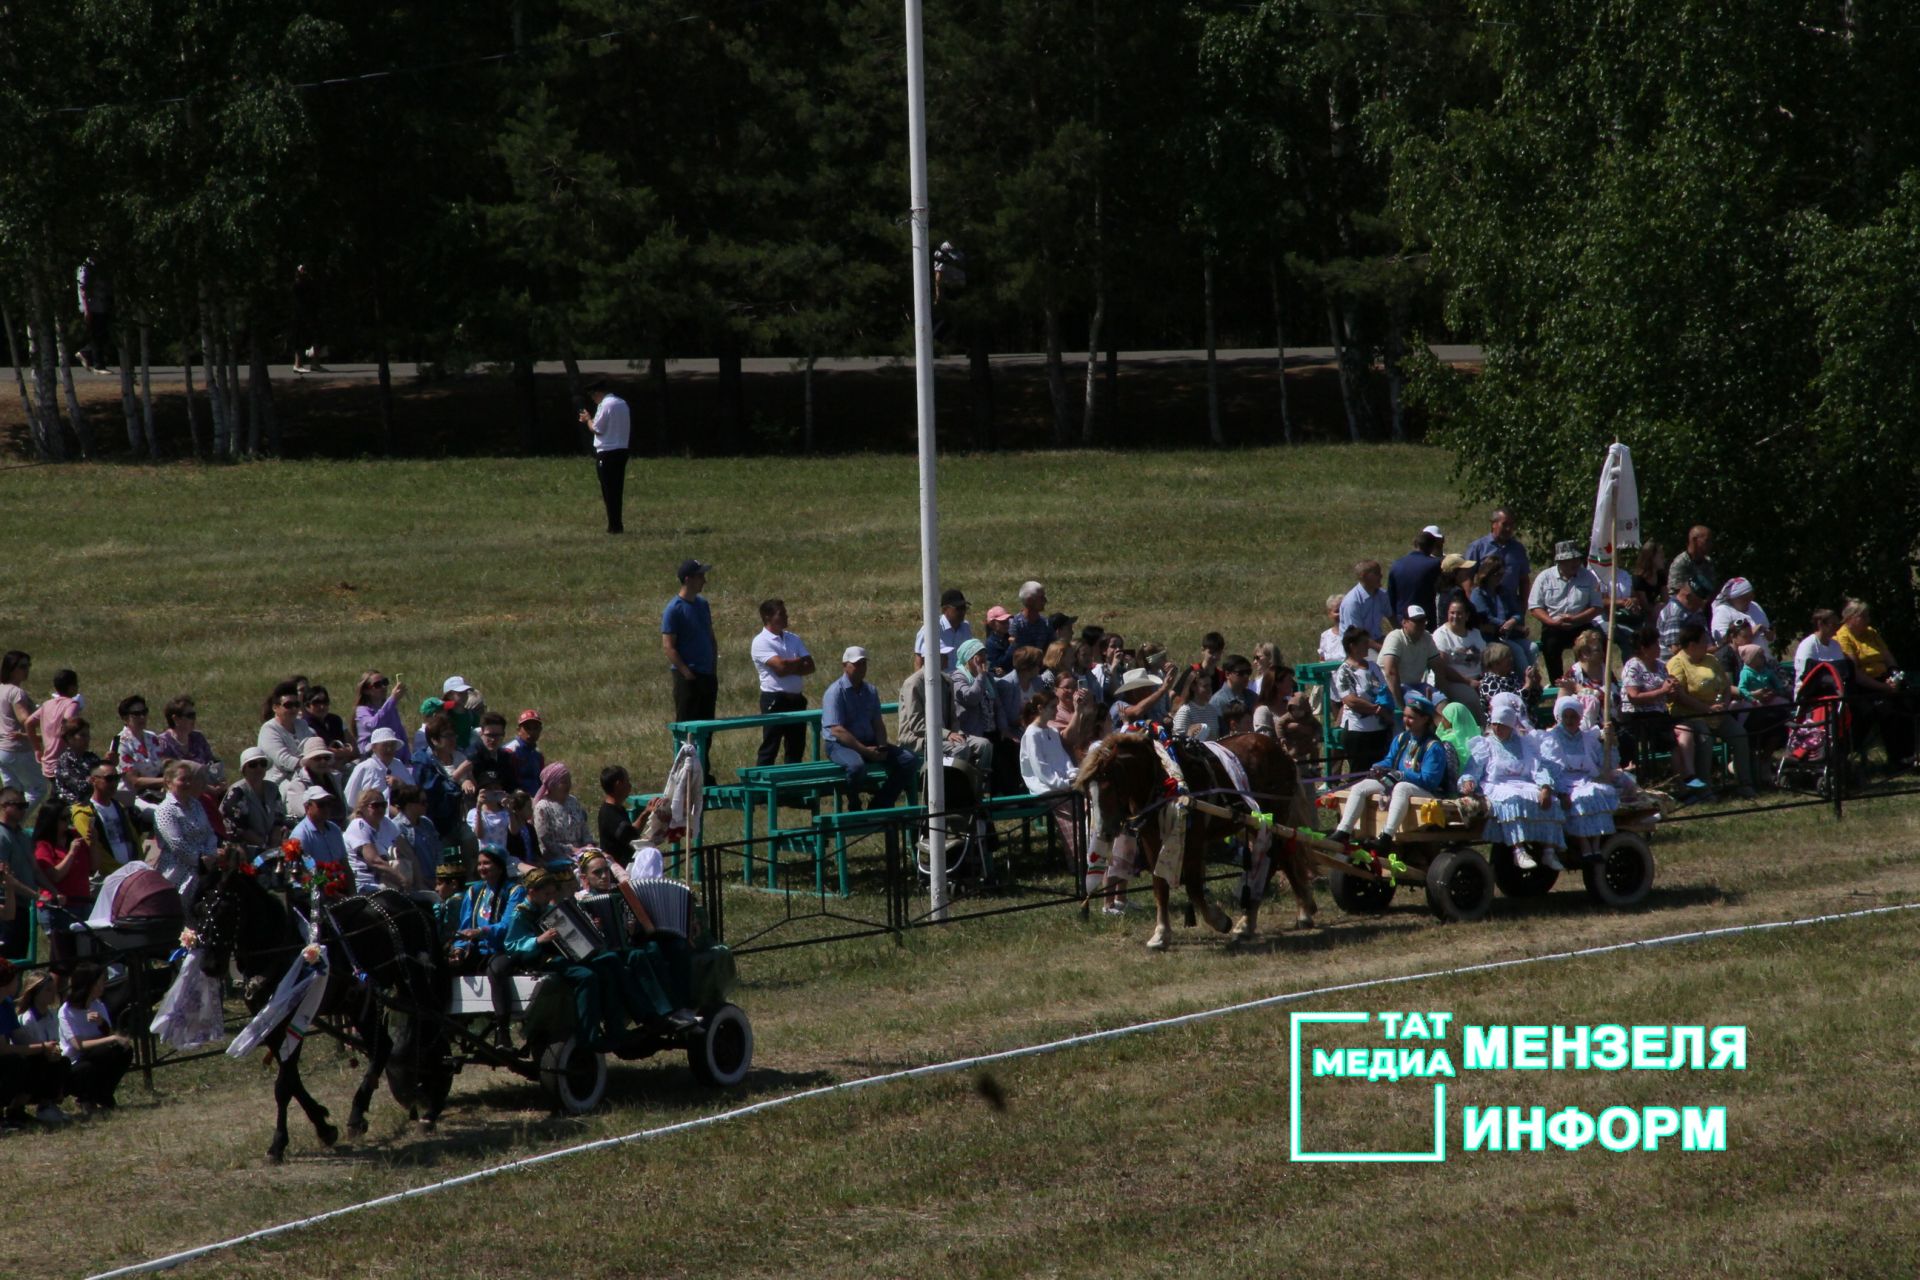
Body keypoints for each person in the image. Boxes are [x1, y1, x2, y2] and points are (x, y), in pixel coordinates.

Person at [1328, 693, 1452, 852]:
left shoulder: (1433, 747)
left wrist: (1402, 775)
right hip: (1397, 783)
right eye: (1405, 716)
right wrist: (1378, 766)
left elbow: (1430, 781)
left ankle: (1386, 836)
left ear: (1425, 720)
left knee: (1402, 787)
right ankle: (1344, 831)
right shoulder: (1401, 739)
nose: (1406, 721)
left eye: (1411, 718)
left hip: (1426, 792)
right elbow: (1390, 760)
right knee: (1361, 786)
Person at [1459, 693, 1565, 871]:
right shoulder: (1486, 744)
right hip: (1498, 784)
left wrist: (1546, 786)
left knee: (1551, 802)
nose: (1497, 728)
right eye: (1495, 724)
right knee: (1513, 800)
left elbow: (1537, 767)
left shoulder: (1524, 744)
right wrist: (1468, 780)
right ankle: (1518, 850)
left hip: (1523, 783)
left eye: (1502, 725)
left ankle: (1548, 851)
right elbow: (1473, 768)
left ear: (1510, 725)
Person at [822, 647, 918, 810]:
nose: (861, 668)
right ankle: (854, 803)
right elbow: (837, 730)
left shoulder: (871, 691)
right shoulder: (835, 692)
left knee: (909, 760)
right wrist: (865, 751)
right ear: (845, 665)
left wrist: (881, 746)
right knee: (856, 767)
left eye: (863, 663)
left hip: (869, 742)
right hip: (839, 745)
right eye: (856, 664)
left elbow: (877, 722)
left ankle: (881, 802)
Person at [1667, 623, 1756, 797]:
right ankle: (1704, 788)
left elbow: (1725, 686)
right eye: (1703, 643)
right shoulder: (1676, 664)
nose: (1707, 646)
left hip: (1718, 713)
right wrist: (1706, 709)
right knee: (1705, 741)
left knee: (1739, 735)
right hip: (1692, 716)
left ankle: (1745, 783)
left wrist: (1723, 703)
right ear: (1691, 645)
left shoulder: (1711, 659)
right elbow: (1680, 695)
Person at [1538, 695, 1626, 865]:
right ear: (1560, 717)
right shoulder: (1552, 739)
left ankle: (1596, 845)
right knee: (1579, 800)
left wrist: (1611, 742)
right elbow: (1551, 768)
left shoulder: (1588, 738)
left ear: (1580, 718)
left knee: (1597, 794)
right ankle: (1585, 846)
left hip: (1586, 779)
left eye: (1574, 717)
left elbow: (1607, 763)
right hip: (1564, 781)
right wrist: (1562, 792)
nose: (1570, 720)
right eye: (1566, 716)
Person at [452, 846, 525, 1045]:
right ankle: (449, 1026)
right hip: (478, 949)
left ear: (500, 867)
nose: (482, 868)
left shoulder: (514, 891)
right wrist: (458, 949)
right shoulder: (474, 891)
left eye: (487, 863)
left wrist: (481, 931)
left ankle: (503, 1032)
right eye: (480, 863)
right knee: (446, 967)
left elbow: (507, 925)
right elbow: (464, 925)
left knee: (496, 970)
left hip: (505, 948)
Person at [1836, 599, 1914, 771]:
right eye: (1864, 616)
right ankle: (1895, 758)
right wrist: (1884, 688)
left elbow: (1887, 656)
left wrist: (1894, 676)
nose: (1868, 620)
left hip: (1885, 679)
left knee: (1908, 704)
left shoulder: (1871, 632)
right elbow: (1855, 673)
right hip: (1863, 685)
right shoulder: (1843, 637)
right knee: (1887, 711)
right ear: (1851, 617)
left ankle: (1909, 755)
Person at [0, 959, 70, 1127]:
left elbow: (19, 1036)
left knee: (39, 1061)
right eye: (15, 979)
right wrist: (41, 1047)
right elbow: (2, 1049)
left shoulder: (6, 1004)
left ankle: (18, 1111)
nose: (18, 982)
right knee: (15, 1064)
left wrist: (47, 1050)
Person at [57, 962, 132, 1111]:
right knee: (99, 1057)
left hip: (97, 1055)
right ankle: (86, 1096)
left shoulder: (98, 1005)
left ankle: (104, 1094)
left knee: (123, 1051)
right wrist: (112, 1038)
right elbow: (79, 1045)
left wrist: (102, 1023)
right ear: (89, 985)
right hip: (76, 1063)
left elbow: (109, 1033)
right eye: (100, 982)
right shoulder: (66, 1011)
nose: (103, 986)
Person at [750, 598, 815, 766]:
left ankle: (791, 789)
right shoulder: (760, 642)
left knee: (796, 747)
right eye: (782, 613)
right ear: (768, 617)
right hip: (774, 700)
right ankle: (762, 788)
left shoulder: (793, 638)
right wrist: (796, 662)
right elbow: (780, 668)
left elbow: (810, 666)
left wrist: (788, 665)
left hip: (796, 699)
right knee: (770, 745)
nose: (787, 616)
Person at [1380, 605, 1476, 714]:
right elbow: (1390, 672)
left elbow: (1438, 668)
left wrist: (1441, 693)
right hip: (1394, 688)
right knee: (1418, 706)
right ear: (1404, 622)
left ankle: (1444, 730)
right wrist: (1400, 705)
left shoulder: (1426, 638)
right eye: (1416, 621)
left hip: (1416, 686)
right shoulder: (1395, 637)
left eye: (1423, 621)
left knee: (1442, 704)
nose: (1421, 625)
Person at [1528, 542, 1602, 681]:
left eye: (1577, 559)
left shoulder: (1589, 577)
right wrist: (1553, 622)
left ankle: (1588, 679)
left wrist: (1576, 619)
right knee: (1550, 645)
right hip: (1554, 625)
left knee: (1594, 642)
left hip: (1582, 624)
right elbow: (1534, 607)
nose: (1575, 563)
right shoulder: (1544, 578)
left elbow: (1597, 606)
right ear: (1560, 561)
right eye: (1570, 560)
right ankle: (1558, 683)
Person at [32, 801, 91, 972]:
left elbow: (93, 866)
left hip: (82, 904)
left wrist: (93, 841)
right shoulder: (43, 845)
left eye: (69, 818)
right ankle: (59, 994)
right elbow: (55, 876)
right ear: (51, 821)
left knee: (83, 961)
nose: (69, 823)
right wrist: (71, 853)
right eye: (64, 819)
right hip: (58, 908)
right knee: (63, 963)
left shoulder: (73, 836)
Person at [1616, 626, 1682, 778]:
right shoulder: (1633, 666)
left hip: (1659, 714)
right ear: (1644, 648)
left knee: (1680, 738)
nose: (1659, 648)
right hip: (1637, 717)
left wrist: (1672, 691)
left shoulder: (1660, 665)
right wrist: (1663, 691)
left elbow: (1667, 696)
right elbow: (1634, 697)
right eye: (1656, 645)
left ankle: (1682, 781)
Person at [662, 559, 719, 730]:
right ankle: (684, 757)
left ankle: (704, 758)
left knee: (708, 726)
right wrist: (687, 673)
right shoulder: (674, 609)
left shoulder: (703, 604)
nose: (704, 580)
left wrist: (713, 667)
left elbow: (710, 635)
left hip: (707, 674)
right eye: (700, 576)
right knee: (688, 727)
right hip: (688, 677)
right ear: (688, 579)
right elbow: (668, 646)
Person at [153, 760, 219, 903]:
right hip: (177, 873)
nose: (188, 784)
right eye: (183, 779)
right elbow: (177, 844)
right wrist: (200, 861)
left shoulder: (196, 804)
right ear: (168, 782)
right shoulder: (165, 810)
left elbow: (209, 833)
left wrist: (210, 855)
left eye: (190, 779)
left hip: (204, 868)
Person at [1331, 628, 1392, 776]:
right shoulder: (1345, 671)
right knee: (1360, 774)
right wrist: (1376, 709)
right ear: (1352, 646)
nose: (1368, 646)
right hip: (1358, 731)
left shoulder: (1374, 667)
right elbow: (1351, 700)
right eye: (1364, 643)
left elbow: (1384, 690)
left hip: (1379, 730)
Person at [74, 760, 145, 872]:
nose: (114, 783)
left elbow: (134, 838)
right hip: (108, 876)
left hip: (133, 871)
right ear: (93, 780)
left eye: (117, 778)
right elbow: (95, 850)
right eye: (109, 779)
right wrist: (120, 872)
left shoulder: (119, 807)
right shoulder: (84, 814)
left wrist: (139, 864)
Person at [579, 379, 631, 534]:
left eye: (593, 396)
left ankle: (614, 526)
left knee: (608, 490)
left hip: (607, 451)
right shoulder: (622, 403)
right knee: (617, 488)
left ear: (598, 393)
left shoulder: (605, 405)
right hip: (622, 449)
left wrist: (588, 419)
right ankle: (616, 524)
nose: (593, 400)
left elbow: (597, 428)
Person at [1464, 509, 1532, 620]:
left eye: (1511, 525)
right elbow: (1467, 578)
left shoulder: (1518, 549)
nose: (1508, 529)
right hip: (1485, 607)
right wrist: (1472, 604)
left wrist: (1523, 605)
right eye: (1505, 524)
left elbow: (1524, 579)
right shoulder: (1478, 547)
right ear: (1493, 524)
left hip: (1511, 608)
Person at [1470, 557, 1534, 673]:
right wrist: (1509, 625)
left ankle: (1533, 679)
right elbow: (1487, 618)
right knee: (1516, 650)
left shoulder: (1503, 591)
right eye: (1497, 574)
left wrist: (1513, 621)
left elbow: (1517, 611)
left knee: (1532, 647)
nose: (1500, 577)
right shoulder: (1478, 593)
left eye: (1502, 574)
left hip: (1509, 634)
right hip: (1490, 636)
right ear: (1487, 574)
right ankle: (1525, 681)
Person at [221, 747, 290, 853]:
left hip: (271, 845)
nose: (259, 768)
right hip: (244, 849)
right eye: (253, 765)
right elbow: (238, 827)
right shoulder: (237, 792)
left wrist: (275, 839)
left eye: (262, 763)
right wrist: (264, 845)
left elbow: (279, 817)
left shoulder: (273, 788)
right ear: (244, 769)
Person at [343, 791, 409, 892]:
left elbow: (408, 851)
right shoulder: (359, 825)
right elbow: (374, 861)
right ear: (363, 807)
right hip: (365, 886)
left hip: (386, 883)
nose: (381, 809)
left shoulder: (386, 823)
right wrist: (402, 880)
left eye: (383, 805)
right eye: (376, 805)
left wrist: (419, 882)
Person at [30, 667, 81, 797]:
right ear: (71, 687)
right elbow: (68, 721)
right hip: (65, 763)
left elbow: (29, 722)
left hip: (48, 762)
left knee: (56, 796)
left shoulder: (47, 704)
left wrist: (37, 749)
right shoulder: (72, 703)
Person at [155, 695, 224, 790]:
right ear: (175, 719)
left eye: (194, 715)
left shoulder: (198, 738)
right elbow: (169, 775)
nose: (194, 719)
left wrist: (219, 781)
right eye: (190, 716)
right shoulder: (162, 743)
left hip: (207, 787)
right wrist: (207, 788)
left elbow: (210, 763)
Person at [258, 680, 311, 802]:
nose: (293, 709)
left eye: (296, 704)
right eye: (288, 705)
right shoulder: (269, 729)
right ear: (275, 707)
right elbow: (284, 760)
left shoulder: (302, 724)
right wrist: (309, 762)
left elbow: (311, 747)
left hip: (306, 773)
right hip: (280, 781)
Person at [0, 652, 41, 811]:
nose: (27, 670)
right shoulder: (16, 693)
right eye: (23, 667)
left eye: (28, 666)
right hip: (18, 749)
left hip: (2, 750)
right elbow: (26, 720)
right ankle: (13, 823)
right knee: (38, 789)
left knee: (11, 794)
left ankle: (6, 825)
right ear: (11, 669)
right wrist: (46, 716)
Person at [0, 790, 35, 960]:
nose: (24, 810)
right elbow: (4, 877)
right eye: (20, 806)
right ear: (4, 806)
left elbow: (35, 868)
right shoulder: (1, 836)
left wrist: (51, 891)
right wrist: (36, 895)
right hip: (5, 908)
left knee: (19, 961)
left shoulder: (22, 835)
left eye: (25, 805)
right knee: (7, 964)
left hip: (23, 908)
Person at [532, 763, 592, 861]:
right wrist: (573, 850)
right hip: (559, 859)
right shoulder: (543, 807)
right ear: (552, 785)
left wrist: (588, 845)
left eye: (569, 781)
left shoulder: (573, 801)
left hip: (582, 853)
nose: (568, 785)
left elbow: (584, 828)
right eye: (564, 782)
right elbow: (546, 842)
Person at [343, 726, 413, 810]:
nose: (389, 749)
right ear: (374, 748)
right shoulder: (364, 767)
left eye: (392, 745)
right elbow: (350, 798)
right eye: (385, 745)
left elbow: (414, 793)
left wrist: (402, 785)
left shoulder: (399, 765)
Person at [390, 783, 444, 889]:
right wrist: (423, 881)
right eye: (422, 802)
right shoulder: (396, 827)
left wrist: (440, 876)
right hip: (414, 883)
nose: (427, 805)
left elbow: (439, 850)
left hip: (436, 880)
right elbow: (406, 859)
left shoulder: (427, 823)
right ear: (409, 805)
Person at [1386, 528, 1445, 625]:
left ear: (1415, 544)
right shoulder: (1435, 565)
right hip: (1425, 620)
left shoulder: (1396, 565)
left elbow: (1391, 598)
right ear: (1432, 547)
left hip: (1403, 620)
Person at [287, 789, 350, 877]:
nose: (326, 808)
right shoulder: (300, 835)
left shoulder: (335, 829)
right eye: (321, 804)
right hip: (318, 886)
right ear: (307, 807)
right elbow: (304, 872)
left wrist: (352, 890)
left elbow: (344, 864)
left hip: (339, 885)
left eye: (328, 804)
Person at [1432, 598, 1488, 698]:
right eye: (1452, 613)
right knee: (1472, 698)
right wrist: (1469, 682)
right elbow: (1442, 668)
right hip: (1454, 682)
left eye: (1459, 613)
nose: (1455, 616)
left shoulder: (1475, 633)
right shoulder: (1441, 635)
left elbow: (1485, 659)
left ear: (1467, 616)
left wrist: (1485, 679)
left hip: (1478, 680)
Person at [353, 671, 411, 763]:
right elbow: (374, 725)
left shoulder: (391, 708)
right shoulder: (361, 710)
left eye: (385, 682)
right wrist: (392, 699)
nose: (383, 687)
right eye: (377, 685)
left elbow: (400, 733)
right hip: (372, 760)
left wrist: (407, 758)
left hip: (395, 760)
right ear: (366, 691)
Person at [914, 588, 974, 673]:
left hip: (962, 679)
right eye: (958, 608)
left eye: (964, 608)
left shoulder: (966, 627)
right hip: (941, 680)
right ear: (945, 609)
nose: (962, 612)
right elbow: (919, 660)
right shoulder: (931, 629)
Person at [1711, 577, 1774, 657]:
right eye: (1745, 598)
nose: (1749, 600)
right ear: (1733, 598)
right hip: (1740, 662)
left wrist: (1766, 632)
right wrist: (1751, 632)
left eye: (1751, 596)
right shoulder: (1722, 611)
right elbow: (1723, 641)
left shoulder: (1755, 606)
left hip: (1765, 659)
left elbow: (1771, 635)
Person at [49, 715, 101, 806]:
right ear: (70, 738)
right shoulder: (64, 761)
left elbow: (105, 780)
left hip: (93, 806)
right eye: (82, 735)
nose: (87, 739)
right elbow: (81, 787)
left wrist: (109, 764)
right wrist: (95, 780)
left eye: (88, 735)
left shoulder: (92, 757)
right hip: (70, 809)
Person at [1337, 561, 1389, 651]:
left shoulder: (1382, 595)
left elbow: (1392, 617)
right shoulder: (1352, 602)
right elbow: (1357, 636)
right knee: (1389, 660)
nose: (1381, 575)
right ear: (1363, 576)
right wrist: (1385, 650)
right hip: (1357, 647)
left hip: (1377, 641)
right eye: (1376, 573)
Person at [1477, 639, 1540, 712]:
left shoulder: (1511, 677)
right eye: (1506, 657)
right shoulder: (1489, 682)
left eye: (1510, 656)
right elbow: (1509, 706)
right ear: (1495, 662)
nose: (1511, 660)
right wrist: (1527, 685)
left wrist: (1535, 683)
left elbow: (1531, 702)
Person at [1657, 581, 1710, 663]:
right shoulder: (1675, 614)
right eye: (1701, 598)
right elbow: (1675, 650)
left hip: (1699, 657)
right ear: (1688, 597)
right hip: (1676, 664)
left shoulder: (1696, 610)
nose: (1704, 601)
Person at [1793, 609, 1846, 691]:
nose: (1837, 628)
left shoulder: (1835, 645)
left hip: (1834, 691)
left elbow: (1842, 672)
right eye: (1833, 624)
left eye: (1838, 624)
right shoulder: (1808, 645)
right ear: (1820, 624)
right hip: (1810, 693)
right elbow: (1805, 677)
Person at [302, 685, 355, 762]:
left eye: (325, 702)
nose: (322, 706)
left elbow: (353, 746)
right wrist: (345, 752)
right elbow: (320, 750)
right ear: (307, 705)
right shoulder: (304, 725)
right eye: (316, 703)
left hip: (344, 762)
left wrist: (345, 753)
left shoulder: (336, 719)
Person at [597, 766, 639, 860]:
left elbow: (631, 830)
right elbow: (632, 837)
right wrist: (646, 813)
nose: (630, 785)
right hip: (618, 869)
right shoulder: (609, 815)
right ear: (618, 785)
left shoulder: (619, 809)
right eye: (627, 781)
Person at [1667, 525, 1718, 601]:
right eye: (1707, 541)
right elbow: (1674, 593)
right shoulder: (1681, 562)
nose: (1710, 544)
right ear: (1694, 540)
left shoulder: (1708, 562)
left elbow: (1712, 589)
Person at [468, 712, 515, 794]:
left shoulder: (505, 757)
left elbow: (510, 786)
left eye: (497, 735)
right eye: (489, 735)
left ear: (503, 734)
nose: (493, 740)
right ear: (481, 733)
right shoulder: (473, 755)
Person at [1169, 667, 1220, 741]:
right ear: (1193, 687)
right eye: (1205, 686)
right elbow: (1178, 741)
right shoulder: (1185, 711)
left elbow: (1216, 738)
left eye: (1210, 685)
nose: (1209, 689)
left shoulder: (1212, 710)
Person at [501, 710, 545, 794]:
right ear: (519, 730)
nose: (532, 732)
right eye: (527, 728)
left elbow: (541, 781)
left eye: (535, 728)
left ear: (540, 730)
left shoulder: (538, 755)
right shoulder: (509, 751)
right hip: (516, 799)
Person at [290, 263, 322, 372]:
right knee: (299, 339)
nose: (304, 272)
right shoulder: (297, 284)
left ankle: (315, 363)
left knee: (315, 338)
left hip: (309, 313)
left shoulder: (308, 283)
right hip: (300, 314)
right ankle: (297, 365)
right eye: (302, 270)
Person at [1009, 582, 1054, 654]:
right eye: (1041, 598)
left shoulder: (1046, 624)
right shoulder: (1016, 624)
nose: (1045, 600)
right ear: (1030, 600)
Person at [982, 605, 1015, 675]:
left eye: (1007, 621)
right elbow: (1000, 663)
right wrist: (1012, 646)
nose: (1006, 624)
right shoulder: (990, 643)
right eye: (1002, 622)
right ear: (992, 624)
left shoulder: (1009, 636)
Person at [1317, 594, 1347, 662]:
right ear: (1329, 614)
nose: (1340, 614)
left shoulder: (1353, 634)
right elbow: (1322, 661)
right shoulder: (1325, 636)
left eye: (1343, 610)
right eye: (1337, 611)